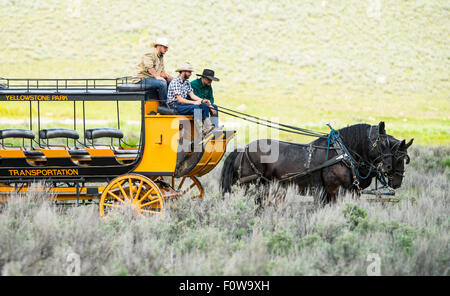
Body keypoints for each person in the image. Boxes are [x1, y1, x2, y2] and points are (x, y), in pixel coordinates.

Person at [167, 62, 214, 136]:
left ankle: (208, 126)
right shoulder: (175, 82)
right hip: (174, 105)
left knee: (204, 105)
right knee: (195, 107)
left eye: (191, 72)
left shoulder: (187, 82)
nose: (190, 74)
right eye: (189, 72)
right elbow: (180, 99)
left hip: (182, 105)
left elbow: (192, 95)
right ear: (183, 71)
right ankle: (201, 130)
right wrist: (194, 103)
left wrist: (202, 100)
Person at [132, 37, 172, 103]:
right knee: (162, 84)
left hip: (150, 78)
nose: (167, 49)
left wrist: (167, 76)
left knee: (171, 81)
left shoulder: (160, 56)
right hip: (141, 79)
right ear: (159, 46)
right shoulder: (150, 53)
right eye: (165, 47)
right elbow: (149, 67)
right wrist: (157, 77)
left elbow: (161, 71)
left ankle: (173, 101)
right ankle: (165, 104)